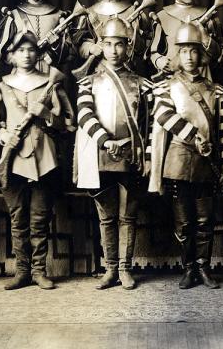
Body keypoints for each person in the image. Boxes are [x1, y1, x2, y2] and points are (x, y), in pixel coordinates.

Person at [0, 31, 75, 290]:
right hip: (13, 160)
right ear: (11, 56)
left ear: (38, 54)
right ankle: (22, 271)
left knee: (39, 219)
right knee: (18, 219)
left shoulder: (51, 83)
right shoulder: (2, 86)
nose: (26, 55)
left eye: (31, 50)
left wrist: (47, 113)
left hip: (44, 157)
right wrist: (3, 134)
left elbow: (69, 124)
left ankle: (39, 271)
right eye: (20, 51)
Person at [149, 21, 223, 289]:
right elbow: (162, 115)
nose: (189, 56)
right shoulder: (165, 87)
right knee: (184, 222)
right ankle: (188, 269)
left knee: (205, 221)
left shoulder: (215, 90)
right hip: (178, 160)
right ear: (177, 54)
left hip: (207, 162)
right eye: (183, 51)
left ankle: (204, 268)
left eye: (193, 51)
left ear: (201, 55)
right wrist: (192, 135)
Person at [74, 16, 153, 290]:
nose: (115, 50)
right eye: (109, 44)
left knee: (128, 216)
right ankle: (109, 269)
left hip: (130, 155)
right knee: (106, 216)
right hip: (101, 154)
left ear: (127, 48)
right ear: (101, 46)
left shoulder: (141, 83)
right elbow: (84, 115)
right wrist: (106, 141)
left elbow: (150, 120)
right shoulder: (87, 82)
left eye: (120, 45)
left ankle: (125, 269)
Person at [149, 0, 223, 79]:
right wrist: (158, 60)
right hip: (171, 77)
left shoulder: (209, 15)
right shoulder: (162, 16)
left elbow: (220, 54)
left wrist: (206, 39)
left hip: (202, 78)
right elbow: (152, 50)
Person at [73, 0, 151, 75]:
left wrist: (132, 36)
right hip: (98, 73)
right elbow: (78, 45)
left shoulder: (134, 11)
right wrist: (91, 48)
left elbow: (145, 47)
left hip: (130, 73)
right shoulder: (89, 13)